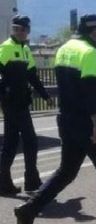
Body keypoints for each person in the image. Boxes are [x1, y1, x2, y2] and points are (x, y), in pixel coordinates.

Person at [14, 14, 96, 224]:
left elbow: (70, 87)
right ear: (93, 31)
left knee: (66, 172)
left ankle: (28, 210)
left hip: (66, 120)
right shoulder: (89, 53)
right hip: (86, 123)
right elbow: (91, 92)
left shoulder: (64, 49)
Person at [0, 15, 52, 195]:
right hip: (12, 103)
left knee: (11, 143)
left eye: (23, 29)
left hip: (21, 102)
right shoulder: (5, 48)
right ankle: (32, 181)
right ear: (16, 30)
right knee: (30, 140)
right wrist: (4, 93)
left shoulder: (25, 50)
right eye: (18, 29)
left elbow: (32, 76)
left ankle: (3, 183)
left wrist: (45, 95)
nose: (21, 32)